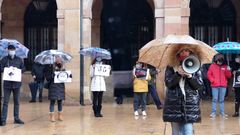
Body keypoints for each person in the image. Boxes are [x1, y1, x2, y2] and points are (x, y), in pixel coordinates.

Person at [163, 48, 202, 135]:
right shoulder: (171, 66)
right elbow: (169, 83)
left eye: (187, 50)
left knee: (188, 132)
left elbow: (198, 85)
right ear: (178, 52)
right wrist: (177, 74)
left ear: (190, 52)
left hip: (189, 105)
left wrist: (190, 77)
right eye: (182, 50)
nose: (184, 52)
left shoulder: (195, 64)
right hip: (174, 105)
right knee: (176, 132)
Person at [0, 44, 25, 126]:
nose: (12, 51)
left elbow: (23, 68)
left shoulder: (19, 60)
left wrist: (17, 70)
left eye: (13, 50)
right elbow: (0, 69)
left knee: (17, 102)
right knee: (5, 102)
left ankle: (16, 118)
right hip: (7, 84)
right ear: (8, 50)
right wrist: (7, 69)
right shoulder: (4, 59)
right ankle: (3, 119)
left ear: (15, 50)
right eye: (10, 50)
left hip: (17, 84)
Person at [207, 53, 232, 118]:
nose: (219, 63)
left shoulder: (225, 66)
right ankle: (213, 113)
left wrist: (228, 70)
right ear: (216, 60)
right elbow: (209, 74)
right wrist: (213, 81)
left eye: (220, 62)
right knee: (214, 99)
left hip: (223, 85)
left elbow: (228, 76)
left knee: (221, 100)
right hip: (215, 86)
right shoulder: (212, 66)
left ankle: (222, 112)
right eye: (218, 61)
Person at [44, 56, 65, 122]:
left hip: (60, 86)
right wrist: (52, 75)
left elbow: (65, 75)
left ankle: (60, 115)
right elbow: (47, 77)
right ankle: (52, 116)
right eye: (57, 58)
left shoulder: (62, 66)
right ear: (54, 59)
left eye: (59, 58)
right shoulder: (50, 66)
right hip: (53, 86)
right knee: (52, 101)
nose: (58, 59)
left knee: (60, 101)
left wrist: (68, 76)